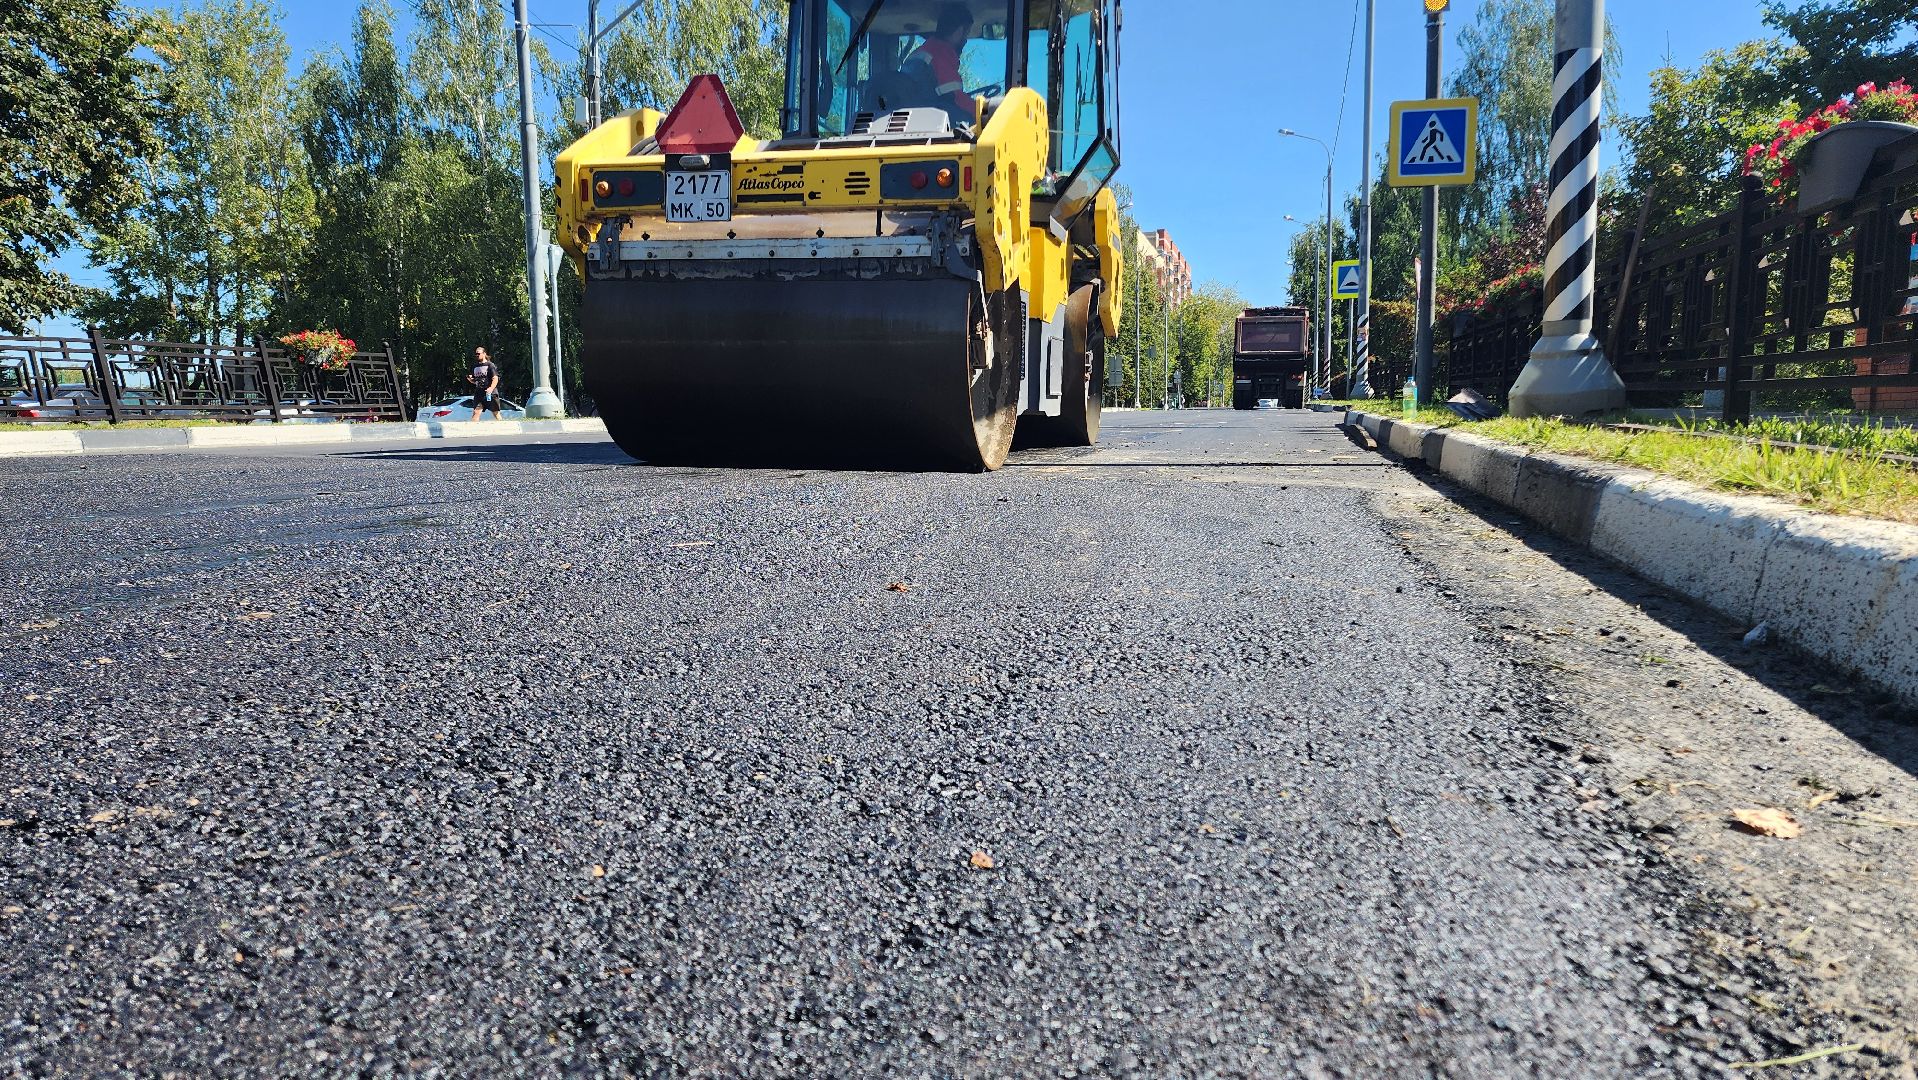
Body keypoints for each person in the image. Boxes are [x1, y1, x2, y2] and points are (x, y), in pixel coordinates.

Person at [901, 3, 974, 118]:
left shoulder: (921, 52)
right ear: (959, 32)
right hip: (930, 121)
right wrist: (984, 109)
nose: (966, 40)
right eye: (967, 34)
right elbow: (956, 99)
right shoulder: (940, 55)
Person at [467, 347, 501, 421]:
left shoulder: (490, 365)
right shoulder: (475, 366)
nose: (477, 355)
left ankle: (503, 426)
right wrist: (470, 380)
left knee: (496, 413)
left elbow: (495, 378)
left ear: (484, 354)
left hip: (490, 392)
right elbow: (475, 381)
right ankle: (473, 428)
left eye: (478, 353)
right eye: (476, 354)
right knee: (476, 412)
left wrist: (491, 388)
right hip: (479, 393)